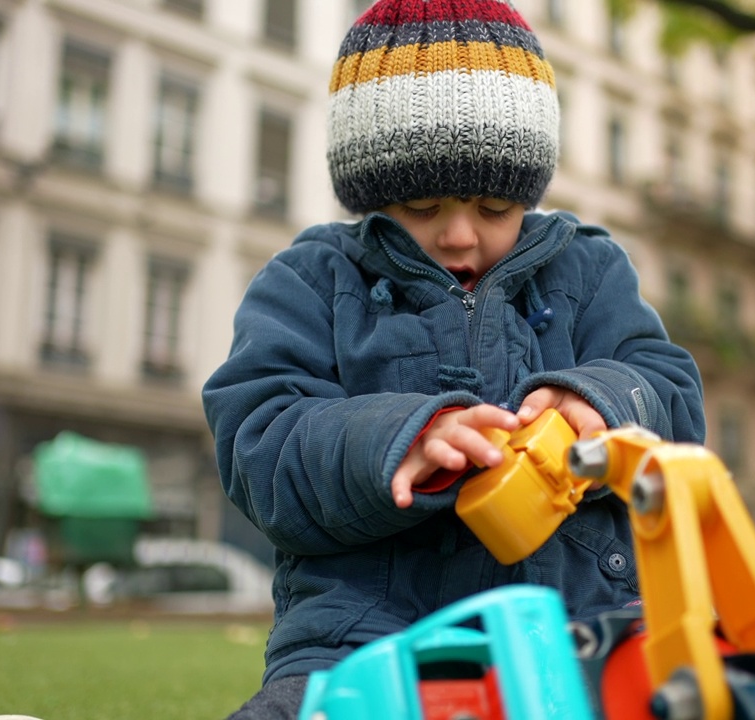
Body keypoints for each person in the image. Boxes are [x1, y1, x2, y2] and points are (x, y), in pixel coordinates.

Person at [202, 1, 705, 717]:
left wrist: (606, 401)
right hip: (363, 642)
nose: (460, 235)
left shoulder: (589, 270)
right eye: (422, 205)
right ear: (371, 193)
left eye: (494, 206)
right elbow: (260, 439)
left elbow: (674, 396)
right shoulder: (311, 279)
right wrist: (400, 438)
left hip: (587, 633)